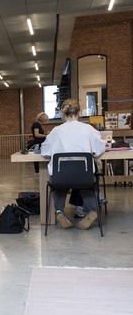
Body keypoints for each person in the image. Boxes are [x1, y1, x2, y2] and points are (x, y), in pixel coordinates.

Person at [40, 98, 106, 230]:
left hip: (61, 179)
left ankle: (59, 211)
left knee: (57, 182)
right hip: (84, 178)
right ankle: (92, 210)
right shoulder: (89, 129)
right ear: (79, 112)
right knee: (87, 183)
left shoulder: (55, 131)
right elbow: (99, 149)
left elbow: (45, 151)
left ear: (62, 114)